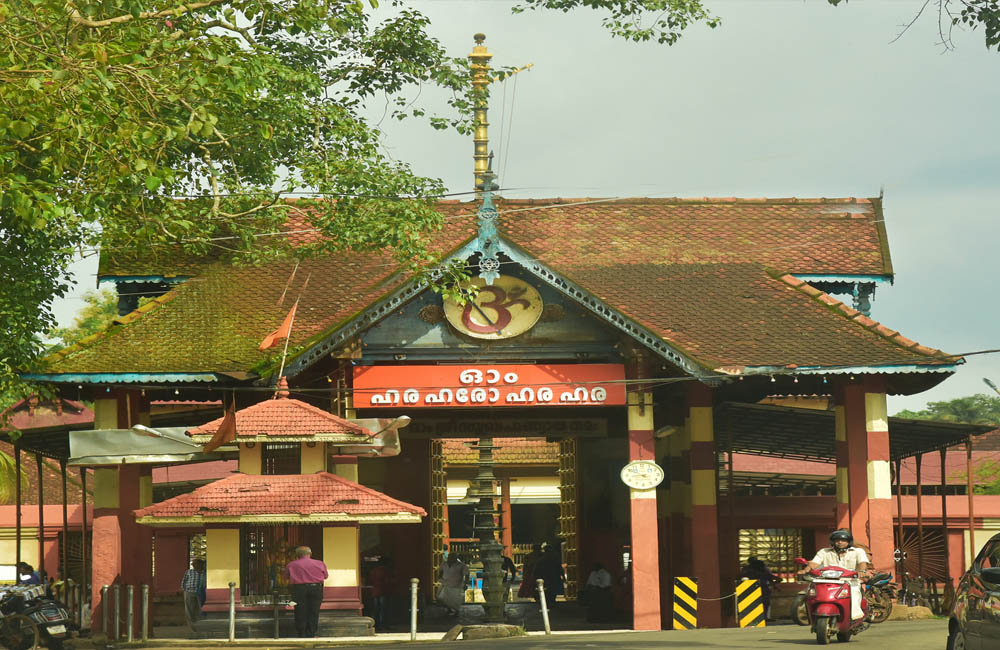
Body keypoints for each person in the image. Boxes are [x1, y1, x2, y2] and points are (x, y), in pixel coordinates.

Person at [803, 529, 870, 621]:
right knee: (811, 594)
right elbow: (815, 563)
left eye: (843, 540)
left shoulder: (858, 551)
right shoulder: (824, 551)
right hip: (827, 580)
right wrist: (806, 569)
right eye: (837, 540)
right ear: (832, 542)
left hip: (850, 581)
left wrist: (862, 571)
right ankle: (810, 616)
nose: (840, 542)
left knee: (855, 593)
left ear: (848, 542)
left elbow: (862, 563)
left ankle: (855, 616)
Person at [282, 546, 329, 638]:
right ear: (310, 553)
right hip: (316, 589)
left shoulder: (291, 564)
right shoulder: (320, 563)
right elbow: (326, 576)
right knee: (314, 611)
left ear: (297, 555)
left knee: (299, 610)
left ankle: (301, 633)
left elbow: (285, 577)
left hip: (298, 589)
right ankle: (311, 634)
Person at [180, 559, 206, 635]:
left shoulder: (204, 573)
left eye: (195, 563)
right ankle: (193, 628)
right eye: (193, 564)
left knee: (199, 610)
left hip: (200, 593)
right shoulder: (189, 572)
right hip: (189, 592)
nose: (193, 565)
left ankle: (200, 627)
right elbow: (183, 581)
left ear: (201, 564)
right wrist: (185, 590)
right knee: (189, 611)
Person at [367, 557, 392, 630]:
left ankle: (373, 624)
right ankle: (382, 624)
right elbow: (387, 581)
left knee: (375, 608)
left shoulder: (373, 571)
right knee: (382, 609)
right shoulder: (385, 571)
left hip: (374, 591)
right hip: (383, 591)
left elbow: (370, 580)